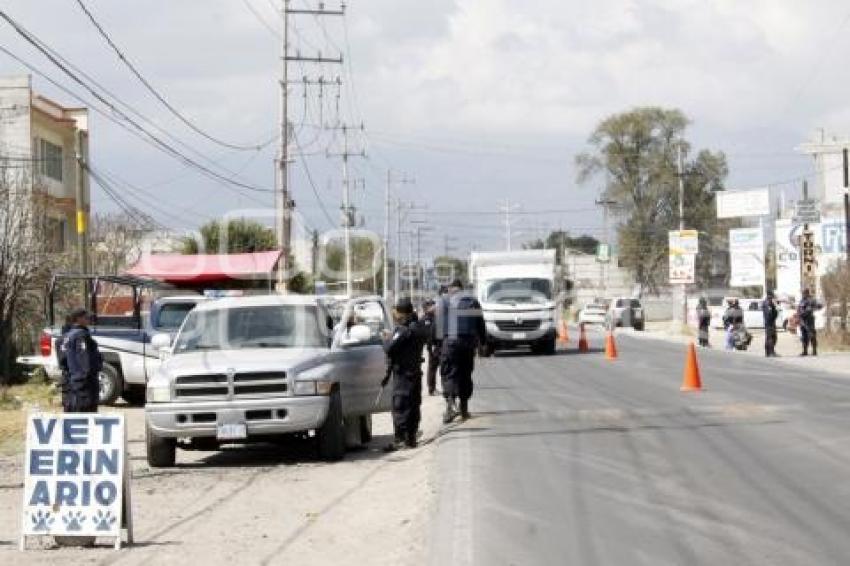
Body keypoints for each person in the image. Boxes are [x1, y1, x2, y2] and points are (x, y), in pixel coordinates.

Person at [382, 297, 430, 450]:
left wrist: (386, 339)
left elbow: (389, 348)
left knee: (400, 406)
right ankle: (411, 438)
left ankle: (400, 439)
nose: (395, 316)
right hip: (415, 371)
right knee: (413, 405)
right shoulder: (419, 327)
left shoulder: (403, 330)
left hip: (403, 374)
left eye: (396, 313)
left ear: (402, 314)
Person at [437, 279, 485, 423]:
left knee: (449, 373)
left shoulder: (444, 301)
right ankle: (463, 410)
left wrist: (437, 345)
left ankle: (450, 405)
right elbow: (480, 323)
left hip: (450, 343)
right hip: (468, 343)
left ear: (451, 288)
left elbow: (437, 327)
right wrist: (483, 342)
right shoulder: (473, 301)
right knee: (465, 374)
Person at [59, 308, 103, 413]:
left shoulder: (65, 336)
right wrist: (86, 375)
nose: (89, 320)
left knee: (73, 411)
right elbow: (84, 359)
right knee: (87, 413)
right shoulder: (81, 335)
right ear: (78, 319)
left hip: (72, 381)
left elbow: (63, 361)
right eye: (86, 317)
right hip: (85, 383)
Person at [421, 297, 440, 396]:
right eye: (431, 305)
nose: (433, 307)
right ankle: (431, 389)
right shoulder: (426, 319)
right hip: (433, 345)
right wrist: (430, 345)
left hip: (436, 345)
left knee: (435, 367)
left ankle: (433, 388)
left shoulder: (434, 317)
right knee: (433, 367)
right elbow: (426, 334)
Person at [798, 288, 819, 356]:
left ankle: (814, 351)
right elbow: (799, 309)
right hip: (802, 321)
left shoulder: (811, 300)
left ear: (807, 293)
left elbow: (818, 306)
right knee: (804, 337)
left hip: (809, 320)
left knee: (812, 335)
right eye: (802, 293)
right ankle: (805, 351)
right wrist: (799, 316)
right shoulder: (802, 300)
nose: (803, 294)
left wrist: (809, 310)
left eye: (804, 293)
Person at [762, 291, 779, 357]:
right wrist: (775, 314)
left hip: (769, 322)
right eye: (772, 295)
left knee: (769, 337)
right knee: (772, 337)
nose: (773, 297)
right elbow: (770, 313)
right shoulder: (768, 303)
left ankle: (768, 352)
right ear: (769, 295)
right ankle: (771, 352)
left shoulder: (768, 302)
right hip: (770, 322)